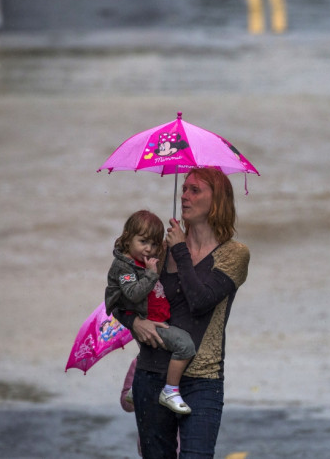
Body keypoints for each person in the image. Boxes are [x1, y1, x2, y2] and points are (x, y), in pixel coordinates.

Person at [113, 168, 250, 459]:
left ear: (218, 201)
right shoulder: (159, 251)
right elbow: (117, 297)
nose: (184, 196)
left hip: (203, 379)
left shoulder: (234, 254)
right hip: (151, 375)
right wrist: (135, 322)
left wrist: (180, 250)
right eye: (184, 188)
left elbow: (200, 301)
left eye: (195, 190)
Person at [105, 209, 196, 414]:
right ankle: (171, 391)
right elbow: (132, 294)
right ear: (128, 238)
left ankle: (135, 390)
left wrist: (175, 234)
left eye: (154, 244)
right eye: (143, 241)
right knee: (185, 345)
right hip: (150, 323)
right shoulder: (125, 268)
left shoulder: (142, 261)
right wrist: (151, 275)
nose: (149, 249)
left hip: (158, 318)